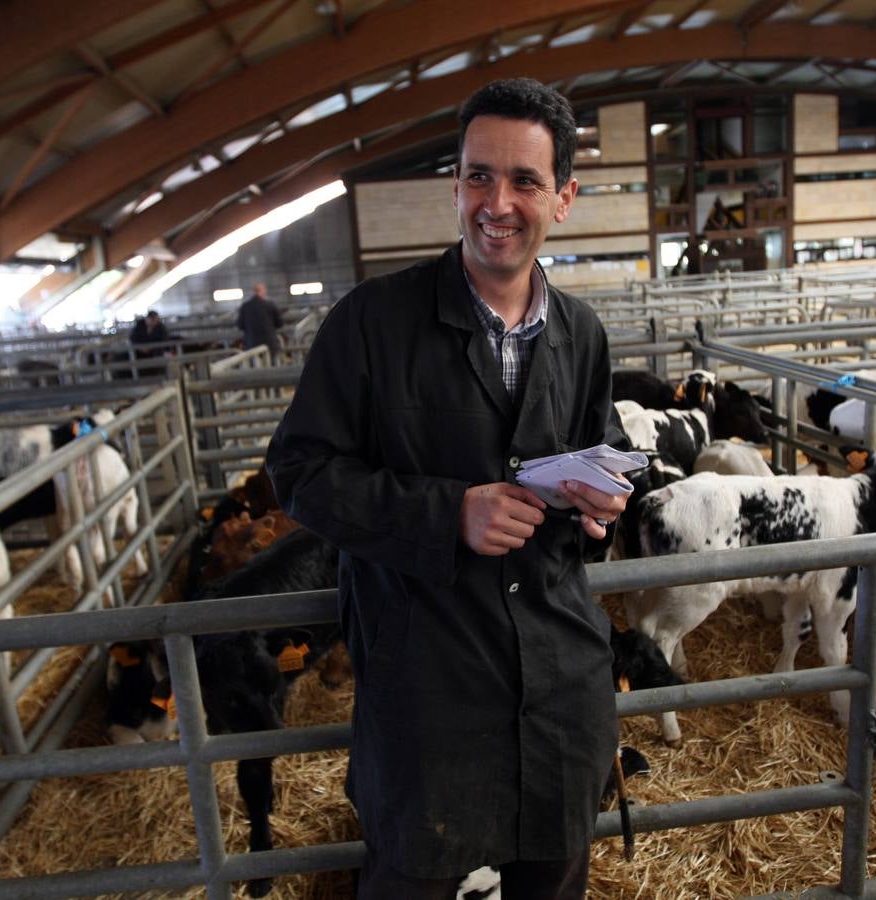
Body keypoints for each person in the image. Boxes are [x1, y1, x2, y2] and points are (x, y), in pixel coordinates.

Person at [266, 78, 627, 899]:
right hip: (426, 687)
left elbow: (599, 449)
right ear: (455, 186)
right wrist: (446, 514)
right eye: (478, 176)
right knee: (410, 882)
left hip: (558, 685)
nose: (497, 202)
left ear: (563, 198)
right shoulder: (370, 324)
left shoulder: (583, 335)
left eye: (526, 181)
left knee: (553, 882)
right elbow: (300, 472)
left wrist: (604, 498)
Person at [236, 282, 284, 361]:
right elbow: (280, 323)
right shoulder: (270, 305)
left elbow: (240, 325)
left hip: (251, 345)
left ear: (254, 292)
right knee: (273, 366)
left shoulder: (245, 306)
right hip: (270, 344)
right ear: (263, 291)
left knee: (255, 368)